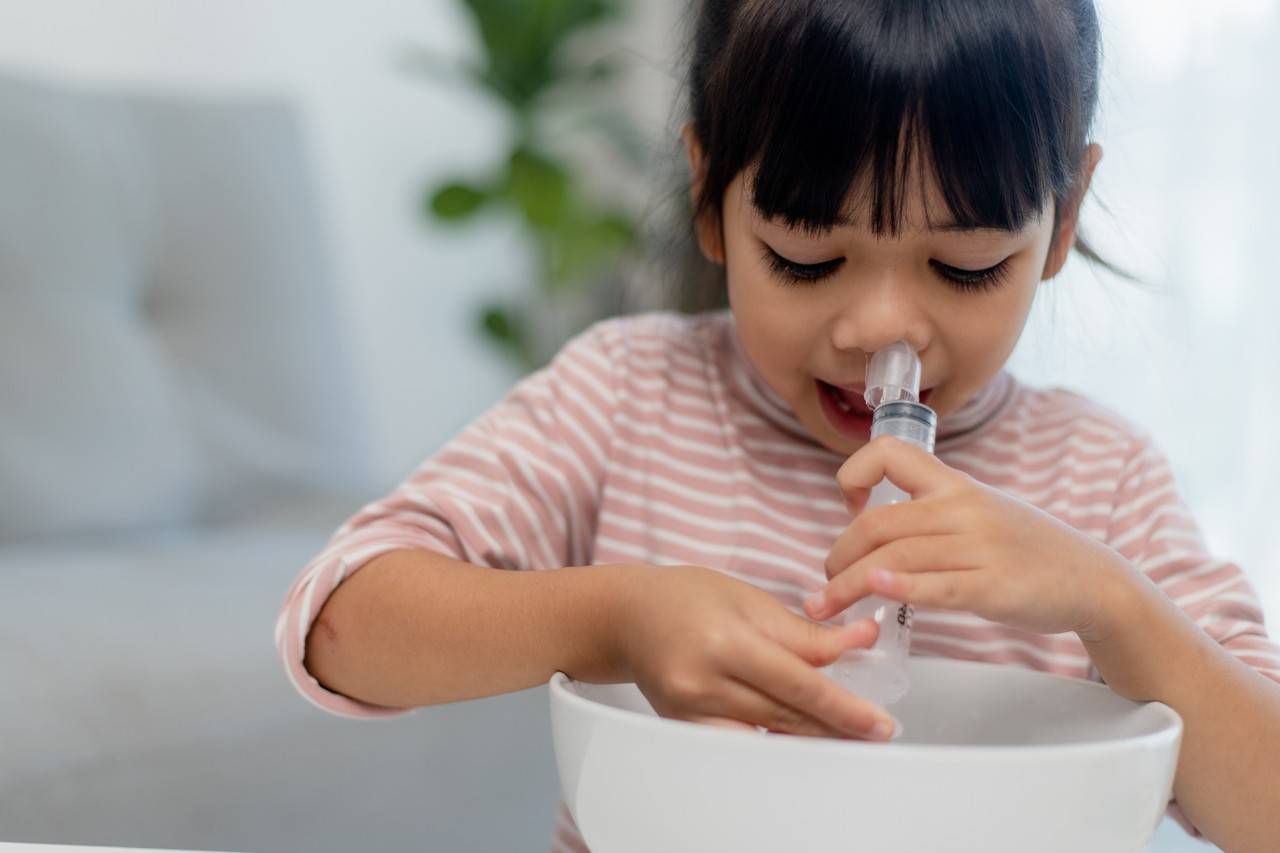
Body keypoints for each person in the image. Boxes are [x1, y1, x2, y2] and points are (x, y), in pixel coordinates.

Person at [276, 1, 1280, 850]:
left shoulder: (1096, 477)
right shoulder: (626, 396)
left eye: (965, 265)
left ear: (1059, 223)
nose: (880, 328)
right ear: (710, 201)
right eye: (805, 258)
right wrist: (612, 616)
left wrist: (1109, 601)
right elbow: (338, 627)